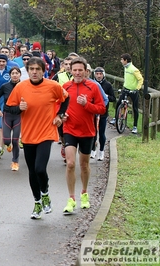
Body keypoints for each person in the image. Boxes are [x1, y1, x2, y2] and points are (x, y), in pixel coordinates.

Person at [6, 57, 69, 219]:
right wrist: (18, 108)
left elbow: (65, 98)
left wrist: (59, 115)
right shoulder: (20, 87)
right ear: (27, 71)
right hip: (28, 135)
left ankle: (45, 193)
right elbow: (8, 107)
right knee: (32, 172)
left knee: (40, 168)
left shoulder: (53, 86)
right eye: (31, 69)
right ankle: (37, 202)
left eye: (38, 69)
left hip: (47, 132)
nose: (34, 72)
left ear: (43, 71)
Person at [62, 57, 106, 214]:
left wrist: (86, 105)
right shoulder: (65, 86)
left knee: (84, 165)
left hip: (87, 131)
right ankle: (71, 199)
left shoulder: (93, 87)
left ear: (86, 71)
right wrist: (62, 116)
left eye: (80, 70)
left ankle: (84, 193)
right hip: (70, 130)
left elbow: (102, 109)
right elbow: (58, 105)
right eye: (75, 70)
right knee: (71, 164)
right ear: (70, 71)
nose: (77, 73)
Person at [0, 66, 22, 171]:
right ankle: (7, 145)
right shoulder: (5, 86)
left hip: (18, 115)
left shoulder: (24, 86)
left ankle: (15, 162)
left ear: (20, 74)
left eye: (17, 73)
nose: (15, 75)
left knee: (15, 140)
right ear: (10, 75)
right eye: (13, 73)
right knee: (6, 140)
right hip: (7, 114)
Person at [110, 53, 143, 134]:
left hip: (133, 91)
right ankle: (115, 118)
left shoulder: (133, 69)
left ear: (126, 60)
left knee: (135, 108)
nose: (120, 61)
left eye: (122, 59)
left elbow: (141, 79)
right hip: (126, 89)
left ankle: (135, 126)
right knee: (119, 102)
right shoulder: (125, 67)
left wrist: (137, 89)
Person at [92, 67, 116, 161]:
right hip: (93, 112)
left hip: (103, 113)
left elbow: (113, 98)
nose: (98, 76)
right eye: (97, 74)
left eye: (100, 74)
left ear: (103, 75)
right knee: (93, 133)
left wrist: (106, 96)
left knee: (101, 133)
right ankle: (93, 150)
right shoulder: (92, 84)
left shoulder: (108, 85)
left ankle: (101, 151)